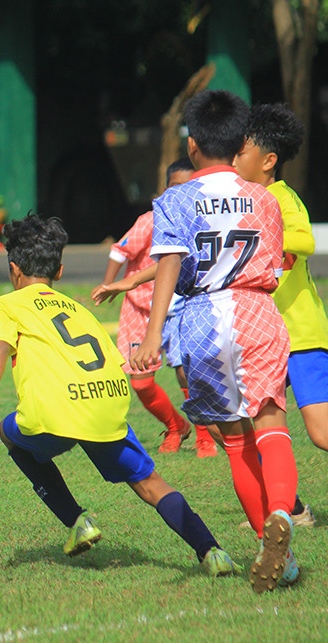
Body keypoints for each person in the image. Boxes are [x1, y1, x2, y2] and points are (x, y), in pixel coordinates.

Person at [0, 213, 238, 578]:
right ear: (59, 271)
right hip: (106, 406)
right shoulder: (78, 309)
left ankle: (77, 521)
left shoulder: (5, 305)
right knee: (151, 484)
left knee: (8, 433)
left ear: (14, 270)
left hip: (55, 412)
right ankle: (212, 551)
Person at [130, 90, 299, 593]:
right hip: (255, 309)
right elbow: (274, 270)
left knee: (235, 441)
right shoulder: (265, 199)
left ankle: (274, 551)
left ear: (192, 144)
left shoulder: (174, 199)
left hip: (202, 320)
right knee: (271, 426)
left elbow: (169, 262)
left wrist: (153, 334)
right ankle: (282, 517)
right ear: (242, 141)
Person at [234, 103, 328, 496]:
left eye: (241, 151)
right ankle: (290, 510)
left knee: (325, 434)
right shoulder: (240, 203)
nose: (233, 158)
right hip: (262, 340)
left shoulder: (281, 198)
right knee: (233, 429)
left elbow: (305, 240)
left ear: (268, 161)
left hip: (300, 337)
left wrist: (262, 239)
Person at [91, 158, 219, 457]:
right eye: (176, 186)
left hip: (181, 306)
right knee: (141, 383)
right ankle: (176, 426)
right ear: (164, 190)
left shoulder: (204, 221)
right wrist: (110, 284)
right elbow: (120, 251)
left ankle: (205, 436)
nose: (182, 193)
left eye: (190, 186)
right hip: (140, 309)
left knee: (187, 372)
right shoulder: (151, 220)